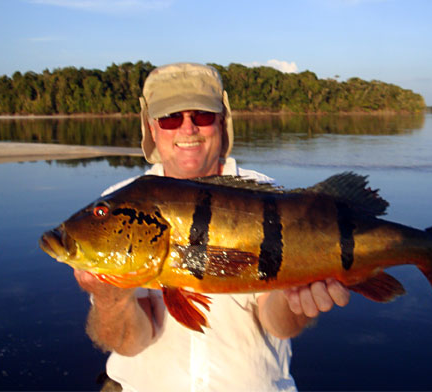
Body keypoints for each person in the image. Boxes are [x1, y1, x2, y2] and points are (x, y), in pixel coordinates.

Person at [74, 63, 351, 392]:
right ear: (151, 127)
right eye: (171, 118)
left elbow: (276, 323)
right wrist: (110, 299)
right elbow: (129, 343)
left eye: (202, 116)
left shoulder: (267, 198)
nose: (188, 129)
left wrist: (297, 302)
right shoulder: (123, 203)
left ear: (222, 121)